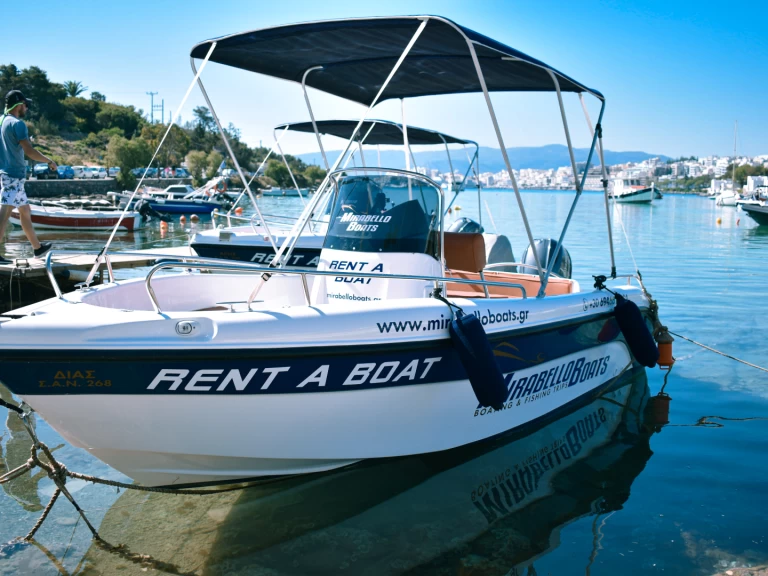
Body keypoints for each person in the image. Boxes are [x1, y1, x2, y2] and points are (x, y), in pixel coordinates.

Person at [0, 90, 54, 263]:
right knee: (5, 213)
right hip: (12, 175)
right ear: (18, 104)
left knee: (25, 211)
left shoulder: (2, 121)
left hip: (9, 174)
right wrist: (49, 161)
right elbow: (29, 151)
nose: (27, 108)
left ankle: (37, 248)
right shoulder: (18, 124)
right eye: (25, 104)